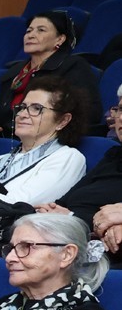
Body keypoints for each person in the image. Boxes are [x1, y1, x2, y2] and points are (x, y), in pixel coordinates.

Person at [0, 76, 90, 245]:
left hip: (11, 241)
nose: (22, 114)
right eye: (22, 107)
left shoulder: (68, 158)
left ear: (63, 121)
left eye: (36, 108)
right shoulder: (1, 159)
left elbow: (18, 205)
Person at [0, 11, 101, 135]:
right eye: (29, 31)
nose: (31, 35)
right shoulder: (14, 72)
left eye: (41, 30)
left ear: (60, 39)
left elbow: (89, 112)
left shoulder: (72, 66)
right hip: (9, 137)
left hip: (49, 138)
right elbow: (1, 113)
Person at [40, 84, 122, 231]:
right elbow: (62, 203)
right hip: (61, 230)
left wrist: (71, 217)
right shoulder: (114, 155)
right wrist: (51, 211)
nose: (121, 118)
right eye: (120, 109)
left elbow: (109, 221)